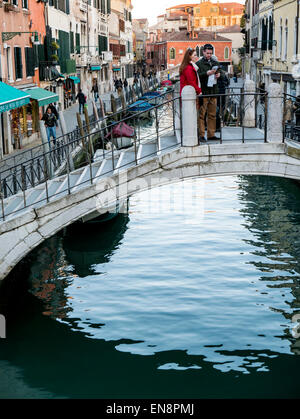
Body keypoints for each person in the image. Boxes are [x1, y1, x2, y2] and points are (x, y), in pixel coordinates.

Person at [196, 44, 222, 141]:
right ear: (203, 52)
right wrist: (206, 73)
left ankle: (211, 135)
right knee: (202, 115)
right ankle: (201, 135)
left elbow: (222, 74)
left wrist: (219, 74)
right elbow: (197, 76)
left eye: (210, 53)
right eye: (207, 53)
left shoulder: (215, 62)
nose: (209, 55)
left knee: (212, 115)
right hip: (204, 92)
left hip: (213, 92)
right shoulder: (199, 64)